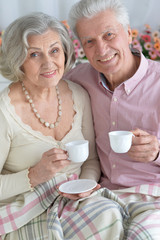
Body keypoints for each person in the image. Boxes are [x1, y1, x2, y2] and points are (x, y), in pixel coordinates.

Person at [0, 12, 102, 239]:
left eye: (55, 50)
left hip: (75, 202)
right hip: (24, 210)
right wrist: (34, 175)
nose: (48, 63)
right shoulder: (3, 111)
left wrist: (85, 186)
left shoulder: (79, 95)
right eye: (34, 54)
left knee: (109, 214)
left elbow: (92, 160)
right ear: (18, 61)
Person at [65, 0, 160, 239]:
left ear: (128, 34)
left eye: (109, 35)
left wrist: (157, 152)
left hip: (154, 195)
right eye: (90, 41)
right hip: (101, 196)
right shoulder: (76, 81)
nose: (101, 49)